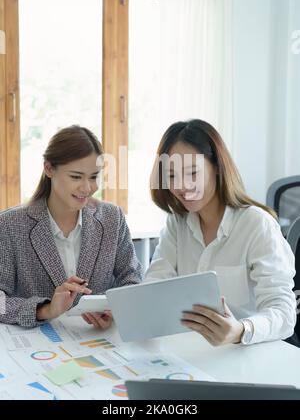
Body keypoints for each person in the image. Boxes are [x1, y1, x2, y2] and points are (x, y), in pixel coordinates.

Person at [145, 119, 296, 346]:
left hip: (251, 351)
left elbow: (284, 314)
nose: (182, 186)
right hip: (197, 349)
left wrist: (241, 330)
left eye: (193, 172)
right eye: (172, 175)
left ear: (216, 168)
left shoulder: (256, 224)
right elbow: (154, 288)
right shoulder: (177, 224)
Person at [0, 125, 141, 329]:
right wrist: (46, 309)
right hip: (38, 350)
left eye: (93, 177)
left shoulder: (112, 218)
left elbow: (132, 279)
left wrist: (116, 308)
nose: (87, 188)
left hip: (100, 343)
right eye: (76, 177)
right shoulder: (9, 225)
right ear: (49, 169)